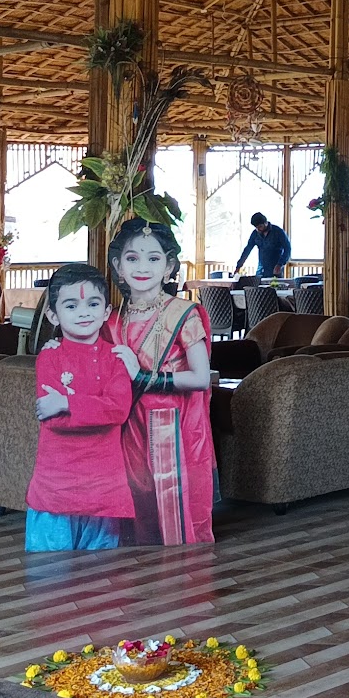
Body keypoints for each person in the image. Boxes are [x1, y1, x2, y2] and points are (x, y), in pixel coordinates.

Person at [105, 218, 216, 547]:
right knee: (135, 501)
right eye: (132, 258)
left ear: (169, 267)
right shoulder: (113, 318)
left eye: (153, 258)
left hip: (171, 426)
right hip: (128, 423)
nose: (142, 267)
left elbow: (200, 377)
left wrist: (143, 377)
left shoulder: (183, 313)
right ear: (118, 266)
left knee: (172, 511)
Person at [25, 262, 134, 553]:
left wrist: (66, 403)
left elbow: (119, 410)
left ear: (106, 312)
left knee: (101, 572)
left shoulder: (117, 358)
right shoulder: (50, 358)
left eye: (93, 304)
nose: (84, 312)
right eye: (71, 306)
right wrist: (97, 411)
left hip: (103, 485)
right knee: (50, 570)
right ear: (53, 315)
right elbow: (53, 421)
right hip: (56, 483)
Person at [233, 211, 291, 278]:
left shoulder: (278, 232)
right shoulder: (255, 234)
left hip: (275, 270)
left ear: (265, 223)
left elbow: (287, 249)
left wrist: (280, 264)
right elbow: (247, 249)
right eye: (256, 227)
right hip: (261, 270)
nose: (258, 229)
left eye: (260, 226)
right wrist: (239, 266)